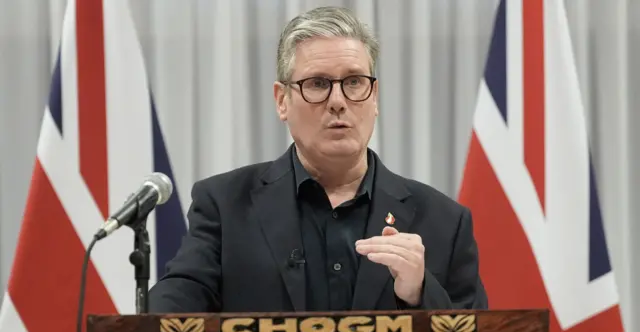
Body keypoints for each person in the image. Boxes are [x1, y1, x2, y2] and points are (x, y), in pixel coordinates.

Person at [145, 5, 487, 314]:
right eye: (318, 83)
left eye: (354, 82)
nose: (338, 101)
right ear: (282, 101)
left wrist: (420, 294)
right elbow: (179, 297)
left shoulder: (444, 222)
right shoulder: (224, 205)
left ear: (375, 97)